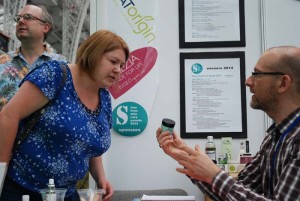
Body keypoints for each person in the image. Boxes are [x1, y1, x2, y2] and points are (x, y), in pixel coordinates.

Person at [156, 46, 300, 200]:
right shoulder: (273, 137)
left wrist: (214, 174)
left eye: (257, 74)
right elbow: (232, 194)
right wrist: (182, 154)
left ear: (283, 83)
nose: (248, 81)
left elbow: (228, 188)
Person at [0, 29, 129, 201]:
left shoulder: (104, 97)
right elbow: (8, 116)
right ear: (93, 54)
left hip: (65, 194)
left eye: (122, 66)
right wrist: (0, 173)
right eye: (113, 61)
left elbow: (90, 141)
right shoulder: (54, 75)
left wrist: (100, 178)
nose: (118, 70)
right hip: (21, 190)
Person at [0, 4, 69, 110]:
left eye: (28, 17)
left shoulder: (62, 64)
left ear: (45, 27)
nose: (21, 21)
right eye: (18, 18)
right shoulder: (2, 62)